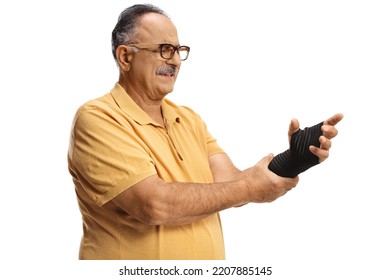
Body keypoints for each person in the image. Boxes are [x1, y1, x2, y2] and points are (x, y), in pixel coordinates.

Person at [67, 4, 343, 260]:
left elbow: (232, 184)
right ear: (125, 56)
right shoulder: (98, 119)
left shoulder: (188, 119)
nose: (175, 61)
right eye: (164, 49)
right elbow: (153, 204)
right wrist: (248, 188)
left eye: (178, 50)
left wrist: (294, 159)